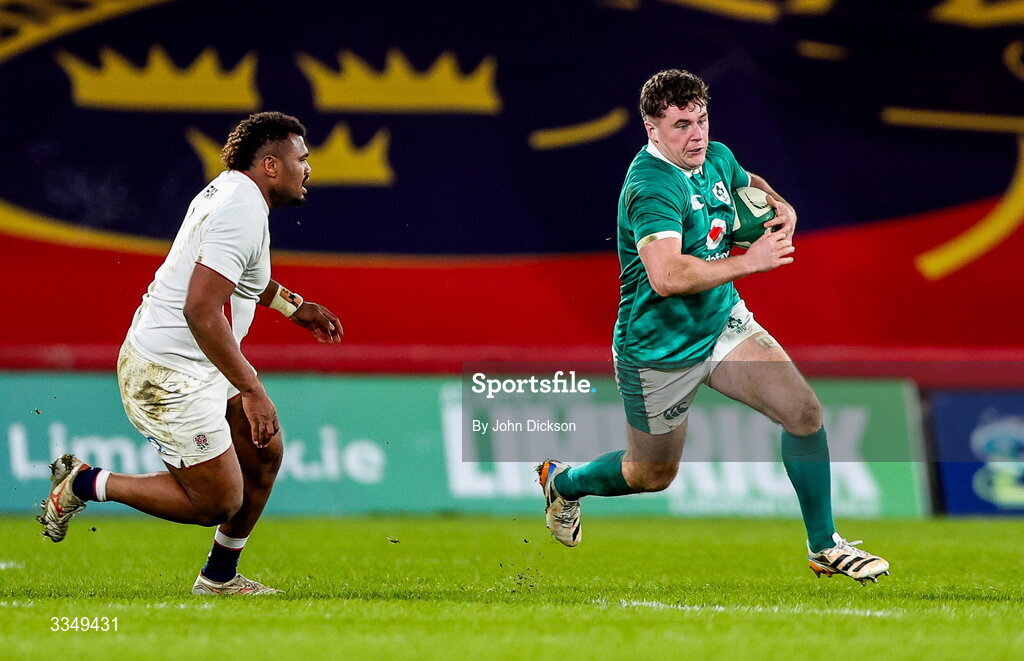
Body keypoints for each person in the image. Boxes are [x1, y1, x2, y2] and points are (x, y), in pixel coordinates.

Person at [536, 70, 890, 584]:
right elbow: (666, 275)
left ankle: (824, 546)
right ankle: (564, 483)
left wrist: (782, 206)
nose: (696, 134)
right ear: (652, 130)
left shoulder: (715, 156)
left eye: (701, 120)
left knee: (804, 411)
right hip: (659, 348)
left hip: (723, 322)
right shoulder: (650, 188)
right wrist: (753, 262)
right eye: (681, 125)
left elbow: (747, 185)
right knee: (650, 474)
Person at [38, 111, 343, 595]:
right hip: (167, 371)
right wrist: (252, 388)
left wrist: (294, 306)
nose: (308, 168)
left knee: (264, 453)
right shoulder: (238, 211)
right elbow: (201, 310)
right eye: (301, 159)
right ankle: (84, 482)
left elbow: (241, 276)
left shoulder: (235, 192)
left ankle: (219, 578)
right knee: (216, 503)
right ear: (269, 165)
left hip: (198, 361)